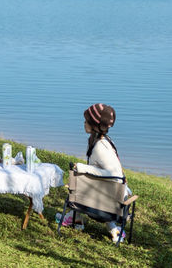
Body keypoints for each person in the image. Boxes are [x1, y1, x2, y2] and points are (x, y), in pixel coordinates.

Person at [75, 103, 131, 243]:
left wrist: (83, 168)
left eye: (87, 120)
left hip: (106, 203)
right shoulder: (104, 141)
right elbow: (116, 174)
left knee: (78, 180)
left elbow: (111, 173)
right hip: (113, 197)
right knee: (86, 182)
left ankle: (76, 218)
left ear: (94, 125)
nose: (84, 123)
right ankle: (113, 229)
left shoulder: (100, 146)